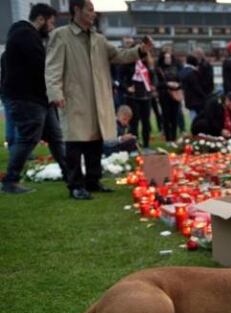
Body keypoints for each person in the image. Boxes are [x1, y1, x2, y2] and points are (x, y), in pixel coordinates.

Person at [46, 0, 148, 200]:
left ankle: (93, 181)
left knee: (95, 142)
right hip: (74, 98)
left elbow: (120, 55)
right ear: (77, 9)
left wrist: (140, 50)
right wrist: (55, 93)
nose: (94, 13)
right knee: (74, 143)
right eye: (90, 9)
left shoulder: (98, 39)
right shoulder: (61, 35)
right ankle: (75, 185)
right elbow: (52, 68)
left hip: (97, 99)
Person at [1, 3, 67, 194]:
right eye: (51, 23)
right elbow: (42, 66)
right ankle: (10, 181)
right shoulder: (25, 35)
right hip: (27, 98)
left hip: (39, 99)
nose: (52, 27)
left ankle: (70, 174)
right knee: (28, 139)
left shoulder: (27, 36)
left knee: (55, 138)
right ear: (41, 19)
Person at [122, 52, 156, 149]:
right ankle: (134, 145)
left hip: (146, 97)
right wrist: (127, 88)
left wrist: (153, 85)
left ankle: (146, 145)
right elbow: (120, 78)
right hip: (133, 97)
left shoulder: (148, 64)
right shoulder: (129, 64)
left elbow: (153, 77)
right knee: (134, 122)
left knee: (146, 122)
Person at [156, 49, 182, 143]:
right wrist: (168, 84)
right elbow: (157, 84)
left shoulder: (177, 66)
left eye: (169, 57)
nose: (168, 59)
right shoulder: (159, 68)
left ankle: (174, 137)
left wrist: (178, 85)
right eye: (166, 57)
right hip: (164, 95)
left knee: (175, 117)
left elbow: (182, 79)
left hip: (175, 94)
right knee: (166, 117)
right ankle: (168, 138)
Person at [180, 56, 206, 122]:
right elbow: (196, 86)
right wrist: (204, 95)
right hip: (197, 99)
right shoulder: (192, 73)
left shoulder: (183, 71)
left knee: (193, 116)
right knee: (198, 118)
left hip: (188, 99)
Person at [0, 51, 17, 151]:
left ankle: (12, 148)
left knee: (10, 122)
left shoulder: (4, 55)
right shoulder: (19, 54)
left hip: (6, 92)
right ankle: (20, 150)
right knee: (20, 123)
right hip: (17, 93)